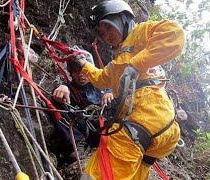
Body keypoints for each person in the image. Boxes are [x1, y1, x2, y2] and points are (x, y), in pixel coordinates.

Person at [73, 0, 185, 179]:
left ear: (123, 19)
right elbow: (101, 79)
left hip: (148, 117)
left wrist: (135, 65)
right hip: (160, 132)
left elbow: (174, 34)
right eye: (102, 33)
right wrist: (83, 64)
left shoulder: (140, 33)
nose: (106, 35)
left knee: (99, 172)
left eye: (109, 27)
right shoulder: (116, 63)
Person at [50, 58, 113, 162]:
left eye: (83, 70)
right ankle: (78, 143)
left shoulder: (104, 84)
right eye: (76, 71)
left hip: (108, 128)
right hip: (86, 130)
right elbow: (60, 91)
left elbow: (117, 84)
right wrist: (62, 87)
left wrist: (111, 92)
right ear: (71, 73)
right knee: (56, 100)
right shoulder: (69, 89)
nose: (80, 74)